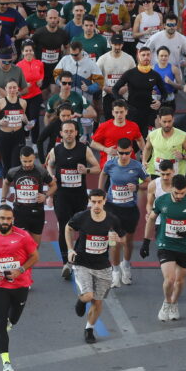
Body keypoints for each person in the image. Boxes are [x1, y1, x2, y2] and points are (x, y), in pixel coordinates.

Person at [0, 204, 40, 371]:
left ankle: (10, 322)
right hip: (0, 286)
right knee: (0, 323)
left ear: (13, 219)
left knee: (13, 319)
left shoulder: (23, 236)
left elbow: (35, 256)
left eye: (8, 219)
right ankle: (6, 363)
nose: (5, 222)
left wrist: (21, 270)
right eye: (2, 218)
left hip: (21, 284)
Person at [65, 189, 124, 344]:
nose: (96, 205)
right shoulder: (82, 217)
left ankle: (89, 328)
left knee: (98, 303)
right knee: (88, 296)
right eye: (93, 202)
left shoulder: (112, 220)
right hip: (82, 263)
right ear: (89, 202)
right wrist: (70, 249)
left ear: (104, 201)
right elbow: (68, 227)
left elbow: (120, 240)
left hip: (103, 266)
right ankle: (81, 300)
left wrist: (117, 240)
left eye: (99, 202)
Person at [142, 174, 186, 322]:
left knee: (180, 282)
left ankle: (175, 302)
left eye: (182, 193)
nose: (179, 196)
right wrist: (146, 241)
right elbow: (151, 219)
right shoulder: (161, 201)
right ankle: (167, 302)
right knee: (170, 279)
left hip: (184, 246)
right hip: (165, 244)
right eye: (176, 193)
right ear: (171, 189)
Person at [48, 119, 101, 279]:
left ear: (76, 132)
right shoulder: (55, 150)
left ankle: (76, 256)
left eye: (72, 131)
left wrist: (86, 170)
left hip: (79, 195)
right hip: (62, 195)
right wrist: (51, 176)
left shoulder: (84, 149)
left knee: (80, 228)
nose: (69, 134)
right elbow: (49, 165)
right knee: (64, 226)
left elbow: (98, 168)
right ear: (61, 133)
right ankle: (66, 262)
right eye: (66, 131)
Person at [99, 137, 148, 285]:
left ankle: (125, 265)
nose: (124, 156)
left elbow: (148, 181)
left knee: (127, 241)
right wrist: (102, 192)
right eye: (121, 153)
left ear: (131, 151)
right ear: (117, 151)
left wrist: (138, 187)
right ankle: (115, 271)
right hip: (113, 207)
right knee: (114, 241)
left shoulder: (137, 166)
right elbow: (103, 174)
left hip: (130, 209)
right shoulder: (110, 164)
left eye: (127, 153)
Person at [0, 146, 53, 246]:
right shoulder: (13, 171)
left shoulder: (41, 171)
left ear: (34, 158)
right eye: (24, 161)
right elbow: (6, 182)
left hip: (37, 213)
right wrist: (3, 199)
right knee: (18, 245)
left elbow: (53, 185)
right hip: (19, 212)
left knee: (34, 247)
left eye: (30, 161)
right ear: (20, 159)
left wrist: (45, 195)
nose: (27, 164)